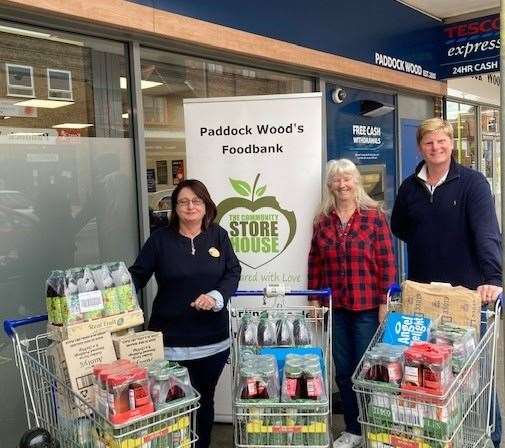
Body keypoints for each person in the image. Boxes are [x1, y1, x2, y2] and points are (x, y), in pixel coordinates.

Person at [391, 117, 502, 447]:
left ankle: (490, 436)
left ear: (451, 144)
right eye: (428, 143)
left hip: (465, 297)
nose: (436, 148)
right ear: (420, 147)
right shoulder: (410, 187)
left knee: (472, 374)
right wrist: (428, 240)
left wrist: (493, 278)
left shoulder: (472, 183)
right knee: (424, 370)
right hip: (424, 298)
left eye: (441, 141)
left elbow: (487, 233)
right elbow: (399, 226)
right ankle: (438, 438)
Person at [129, 179, 241, 448]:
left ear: (206, 205)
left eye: (196, 201)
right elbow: (137, 275)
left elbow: (233, 271)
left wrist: (216, 296)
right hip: (169, 341)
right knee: (170, 405)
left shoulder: (218, 235)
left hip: (212, 341)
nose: (190, 206)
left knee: (204, 401)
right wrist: (114, 299)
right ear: (175, 207)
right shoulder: (159, 240)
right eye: (183, 201)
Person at [308, 159, 396, 448]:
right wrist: (313, 299)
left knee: (368, 370)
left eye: (348, 179)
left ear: (357, 182)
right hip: (337, 308)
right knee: (343, 372)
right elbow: (315, 263)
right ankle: (353, 429)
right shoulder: (322, 220)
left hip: (368, 307)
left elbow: (386, 262)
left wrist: (385, 302)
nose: (342, 184)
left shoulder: (374, 216)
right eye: (337, 180)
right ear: (330, 185)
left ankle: (376, 430)